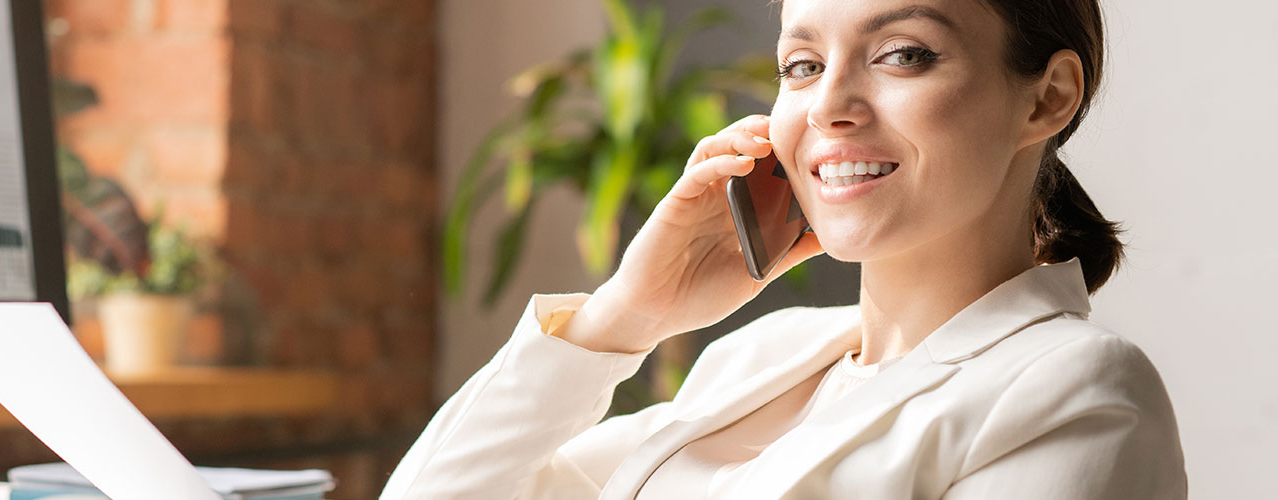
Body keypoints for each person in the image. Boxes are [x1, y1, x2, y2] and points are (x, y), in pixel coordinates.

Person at [382, 0, 1186, 498]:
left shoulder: (1077, 388)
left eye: (903, 52)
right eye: (801, 64)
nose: (828, 103)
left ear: (1049, 96)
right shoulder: (759, 358)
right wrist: (623, 318)